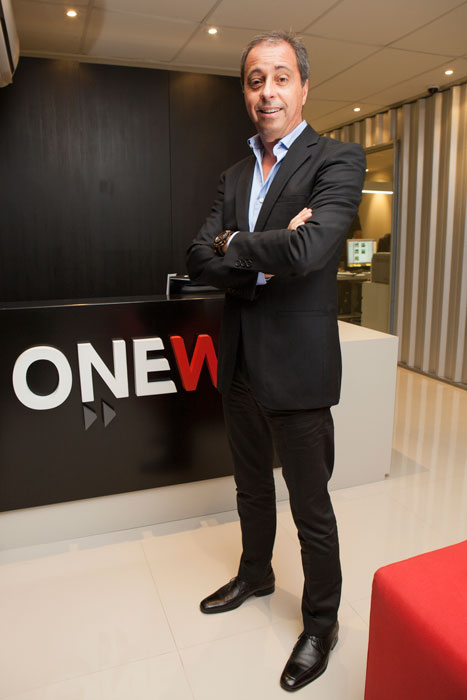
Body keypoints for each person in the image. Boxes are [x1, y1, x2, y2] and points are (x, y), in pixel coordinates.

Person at [186, 31, 365, 692]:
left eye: (281, 77)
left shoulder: (336, 159)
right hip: (238, 361)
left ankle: (321, 623)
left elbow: (311, 251)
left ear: (303, 87)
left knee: (310, 507)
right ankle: (255, 574)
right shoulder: (233, 175)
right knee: (251, 487)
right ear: (245, 91)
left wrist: (235, 245)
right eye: (255, 79)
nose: (268, 91)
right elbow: (197, 257)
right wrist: (264, 248)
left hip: (297, 366)